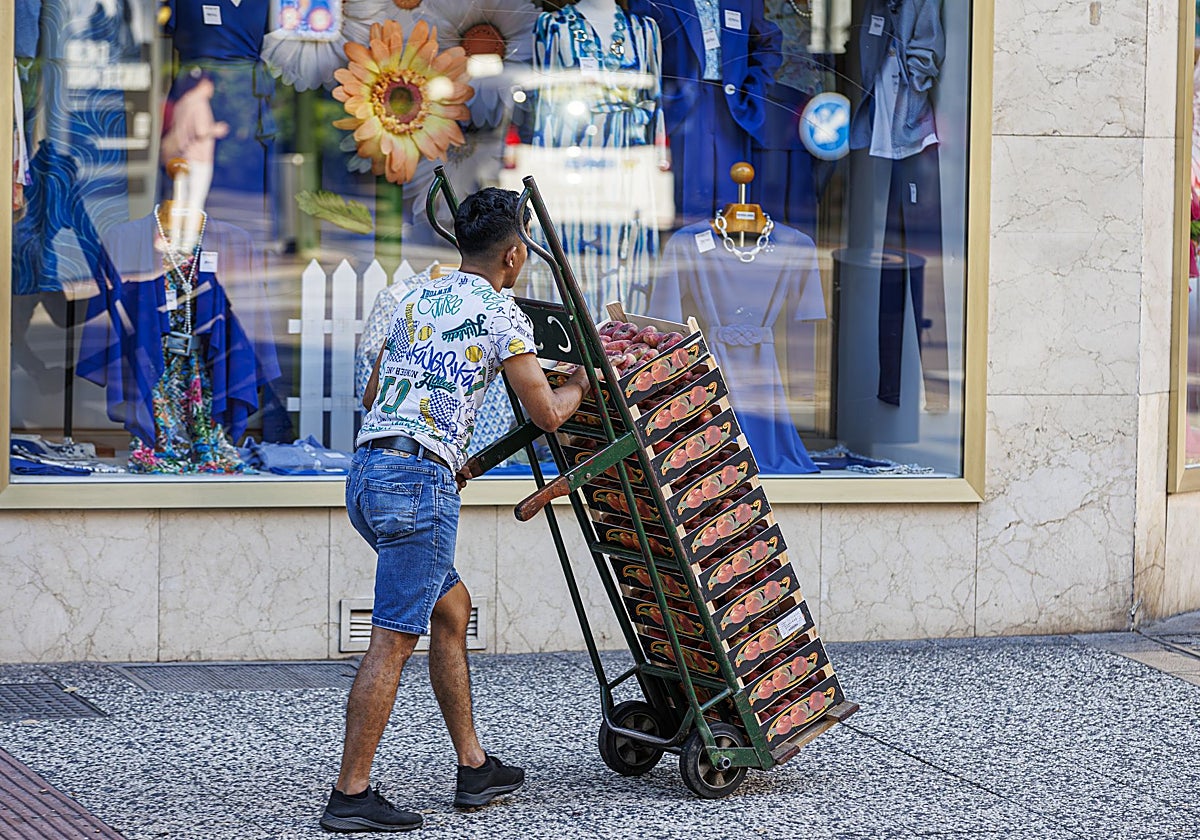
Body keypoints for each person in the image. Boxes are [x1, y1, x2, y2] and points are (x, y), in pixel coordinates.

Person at [321, 188, 594, 833]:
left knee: (453, 609)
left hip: (367, 473)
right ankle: (351, 794)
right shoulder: (504, 315)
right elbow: (549, 415)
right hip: (419, 483)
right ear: (515, 254)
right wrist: (581, 380)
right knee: (392, 639)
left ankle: (473, 767)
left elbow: (373, 389)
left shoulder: (417, 296)